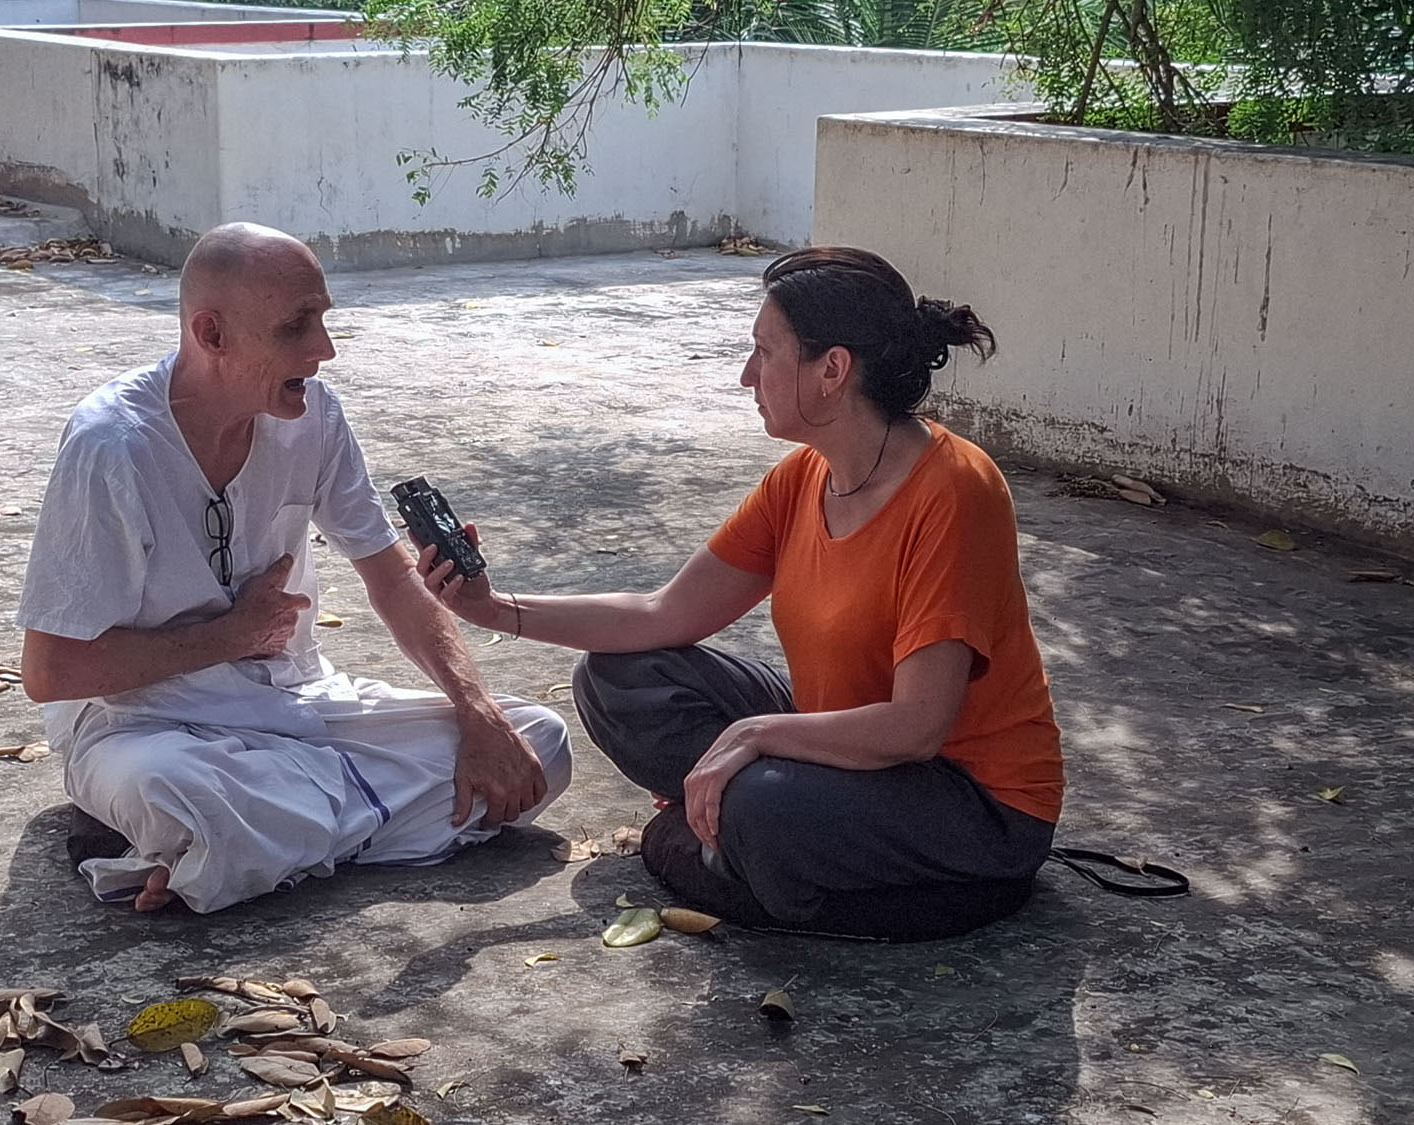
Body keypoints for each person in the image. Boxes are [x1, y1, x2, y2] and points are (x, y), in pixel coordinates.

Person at [417, 247, 1062, 940]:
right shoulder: (803, 478)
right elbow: (664, 614)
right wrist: (494, 608)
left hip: (970, 800)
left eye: (764, 351)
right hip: (841, 741)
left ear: (832, 370)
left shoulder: (956, 491)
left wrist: (752, 734)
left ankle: (739, 846)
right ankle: (740, 846)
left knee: (760, 804)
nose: (746, 375)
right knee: (617, 678)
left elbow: (917, 727)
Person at [17, 222, 571, 914]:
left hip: (299, 702)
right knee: (172, 789)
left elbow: (391, 574)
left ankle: (232, 853)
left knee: (538, 744)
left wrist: (477, 710)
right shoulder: (113, 446)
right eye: (295, 327)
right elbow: (52, 672)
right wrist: (229, 637)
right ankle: (246, 836)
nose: (324, 349)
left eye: (323, 319)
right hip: (144, 725)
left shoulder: (314, 417)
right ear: (212, 334)